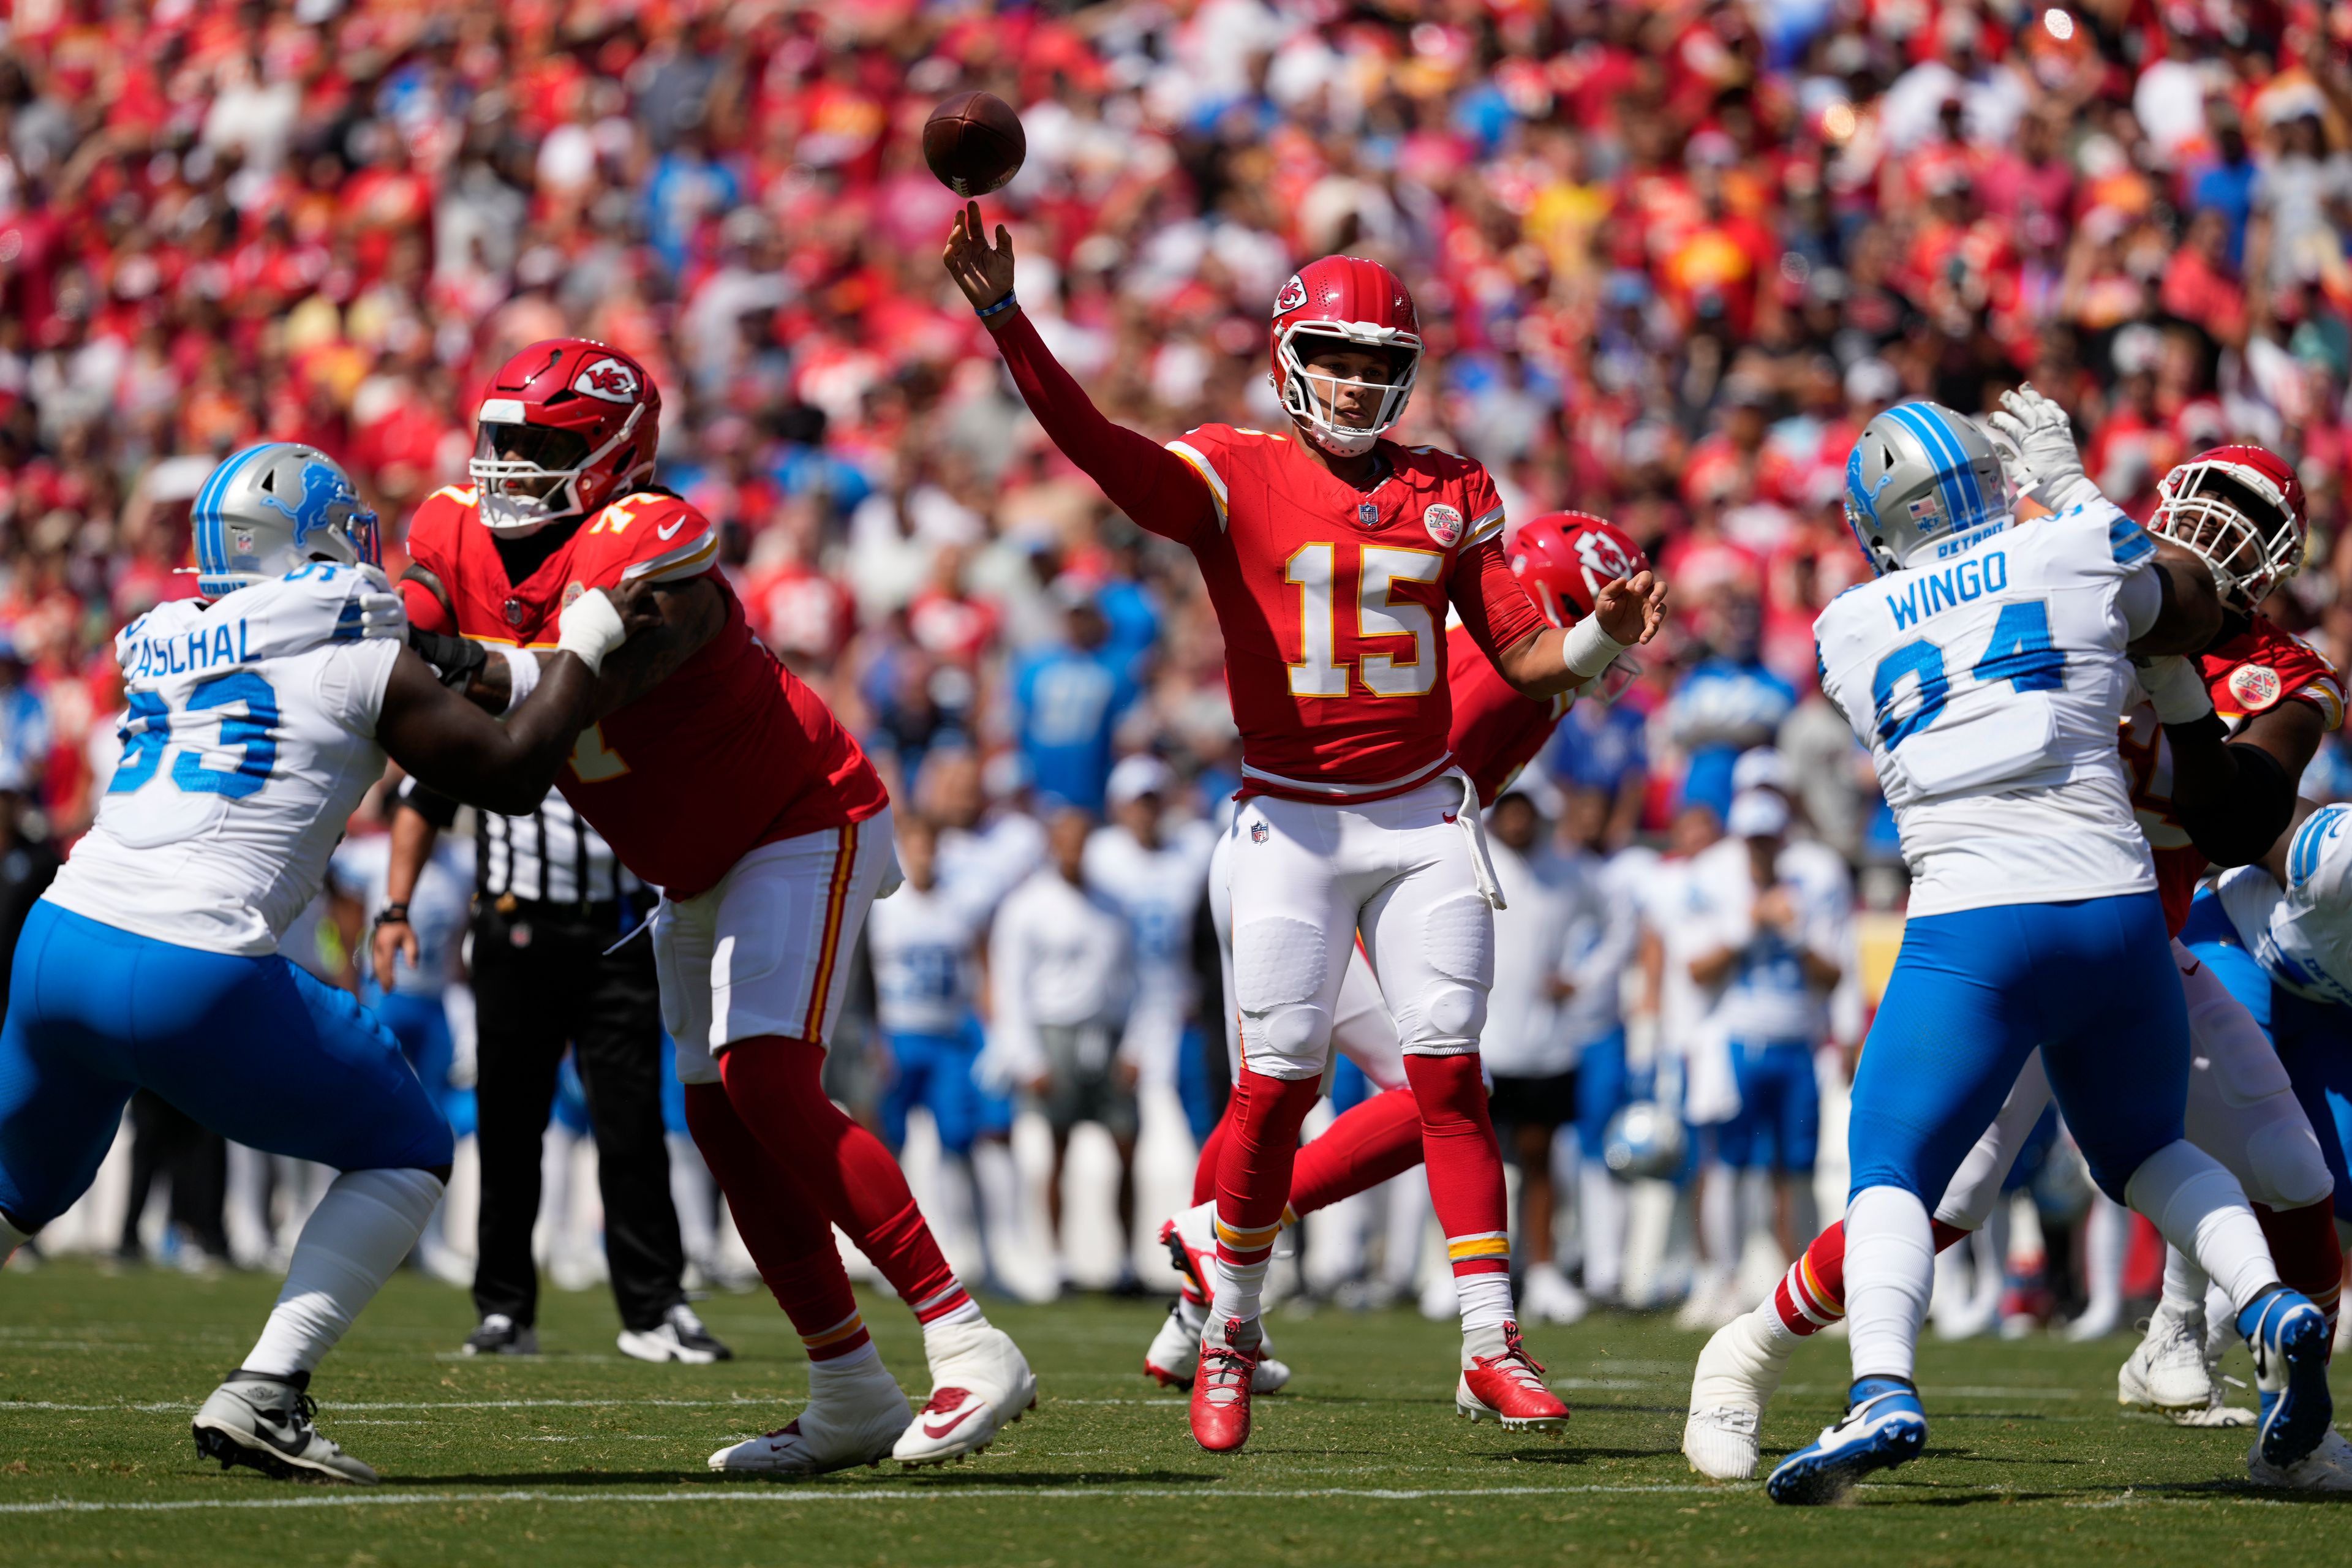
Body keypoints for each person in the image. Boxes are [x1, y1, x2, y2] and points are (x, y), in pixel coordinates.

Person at [952, 211, 1667, 1451]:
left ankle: (1489, 1340)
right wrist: (1010, 322)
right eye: (1334, 354)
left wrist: (1602, 632)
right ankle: (1224, 1320)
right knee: (1274, 1090)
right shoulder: (1235, 468)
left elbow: (1525, 650)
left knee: (1448, 1072)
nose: (1354, 379)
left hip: (1419, 813)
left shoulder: (1452, 485)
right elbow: (1099, 448)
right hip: (1289, 816)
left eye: (1375, 359)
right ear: (1290, 354)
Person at [385, 338, 1031, 1474]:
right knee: (728, 1124)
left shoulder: (650, 539)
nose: (509, 464)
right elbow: (407, 630)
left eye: (543, 446)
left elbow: (583, 689)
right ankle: (849, 1390)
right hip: (689, 864)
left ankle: (967, 1340)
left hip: (800, 816)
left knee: (765, 1076)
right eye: (501, 439)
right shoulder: (449, 528)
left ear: (613, 456)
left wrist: (454, 660)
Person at [1687, 436, 2352, 1493]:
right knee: (1950, 1200)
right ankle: (1749, 1354)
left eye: (2245, 520)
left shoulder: (2246, 651)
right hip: (2070, 926)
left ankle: (2290, 1418)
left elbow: (2238, 815)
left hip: (2124, 940)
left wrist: (2156, 657)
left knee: (2295, 1168)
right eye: (2206, 506)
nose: (2217, 534)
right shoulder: (2072, 562)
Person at [0, 442, 641, 1482]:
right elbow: (517, 771)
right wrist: (586, 650)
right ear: (309, 542)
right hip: (192, 963)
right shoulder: (348, 643)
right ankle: (269, 1389)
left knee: (16, 1193)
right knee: (408, 1145)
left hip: (59, 942)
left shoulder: (169, 638)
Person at [1139, 514, 1654, 1389]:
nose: (1617, 642)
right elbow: (1392, 803)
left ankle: (1198, 1326)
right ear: (1558, 600)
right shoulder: (1508, 673)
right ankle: (1226, 1235)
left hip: (1284, 852)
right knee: (1440, 1091)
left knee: (1274, 1094)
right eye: (1600, 614)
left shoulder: (1493, 652)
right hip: (1332, 864)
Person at [375, 778, 722, 1362]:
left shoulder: (629, 690)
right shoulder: (486, 699)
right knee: (510, 1125)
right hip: (516, 930)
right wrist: (395, 909)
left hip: (619, 930)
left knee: (631, 1123)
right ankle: (505, 1308)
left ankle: (655, 1307)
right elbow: (423, 795)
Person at [1685, 788, 1844, 1276]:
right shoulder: (1718, 887)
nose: (1761, 850)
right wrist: (1748, 925)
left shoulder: (1809, 889)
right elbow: (1696, 968)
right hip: (1739, 1044)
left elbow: (1834, 973)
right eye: (1754, 841)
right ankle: (1726, 1279)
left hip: (1797, 1046)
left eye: (1769, 840)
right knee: (1729, 1165)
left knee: (1798, 1171)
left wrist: (1794, 931)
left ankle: (1809, 1287)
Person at [989, 805, 1136, 1285]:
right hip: (1054, 1031)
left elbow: (1135, 978)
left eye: (1081, 839)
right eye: (1065, 839)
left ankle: (1127, 1259)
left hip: (1106, 1031)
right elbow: (1010, 986)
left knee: (1127, 1143)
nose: (1073, 849)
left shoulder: (1113, 904)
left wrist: (1135, 1043)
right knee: (1057, 1148)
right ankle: (1055, 1258)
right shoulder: (1027, 905)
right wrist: (1026, 1055)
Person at [867, 813, 1004, 1281]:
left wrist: (990, 1027)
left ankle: (974, 1253)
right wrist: (871, 1037)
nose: (924, 855)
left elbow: (981, 964)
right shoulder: (881, 907)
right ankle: (893, 1260)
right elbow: (862, 980)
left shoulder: (959, 902)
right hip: (897, 1036)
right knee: (890, 1149)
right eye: (916, 845)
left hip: (949, 1038)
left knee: (959, 1143)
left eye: (930, 845)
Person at [1083, 753, 1216, 1126]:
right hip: (1123, 1008)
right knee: (1128, 1125)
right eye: (1136, 803)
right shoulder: (1101, 854)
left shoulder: (1191, 850)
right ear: (1116, 806)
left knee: (1196, 1116)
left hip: (1181, 1005)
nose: (1144, 812)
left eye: (1152, 801)